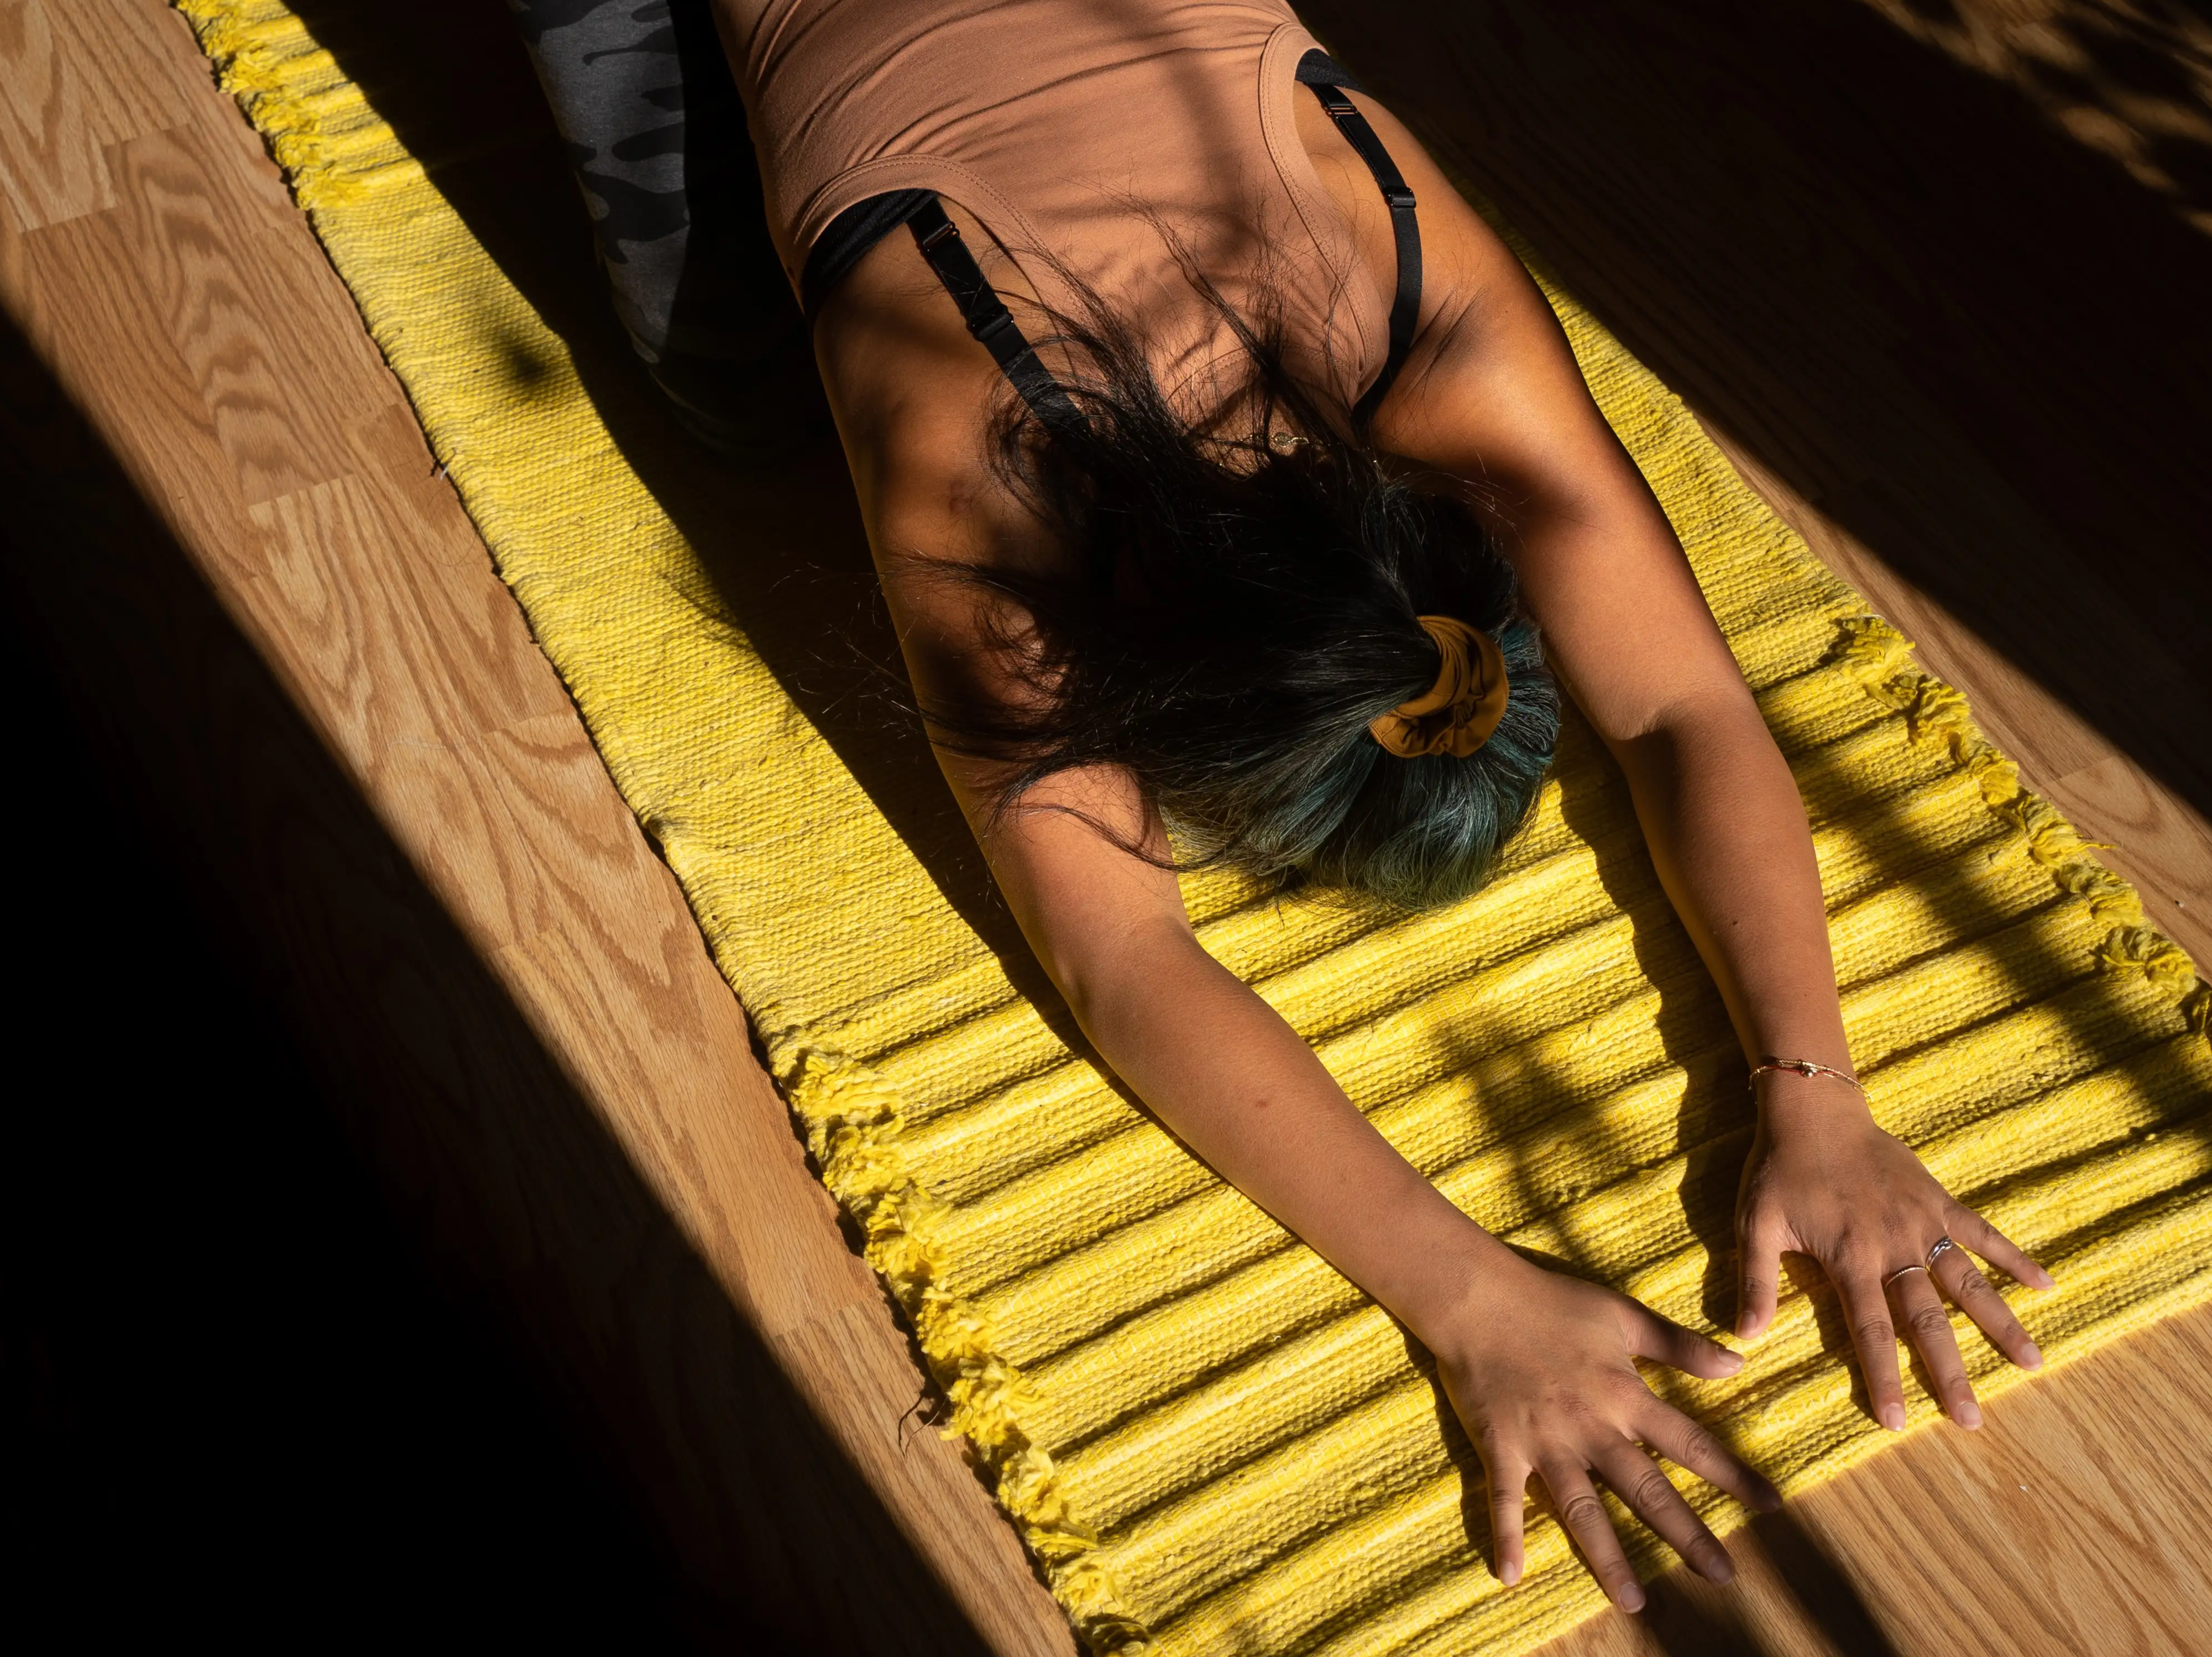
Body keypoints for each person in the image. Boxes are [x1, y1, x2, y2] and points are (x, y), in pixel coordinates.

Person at [515, 0, 2054, 1612]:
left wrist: (1821, 1095)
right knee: (735, 409)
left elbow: (1681, 709)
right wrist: (1465, 1300)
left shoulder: (1427, 318)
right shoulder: (973, 434)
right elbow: (1122, 956)